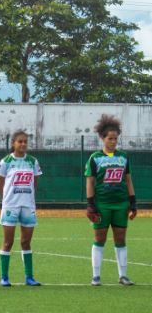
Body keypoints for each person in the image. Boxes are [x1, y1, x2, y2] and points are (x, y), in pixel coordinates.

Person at [86, 115, 137, 286]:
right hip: (102, 205)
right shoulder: (95, 158)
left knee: (120, 239)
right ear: (102, 138)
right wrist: (90, 204)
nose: (113, 141)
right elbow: (90, 181)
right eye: (110, 138)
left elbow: (128, 180)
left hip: (120, 204)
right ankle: (96, 276)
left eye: (115, 138)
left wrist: (133, 202)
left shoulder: (123, 157)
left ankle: (123, 276)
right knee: (99, 238)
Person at [0, 130, 43, 287]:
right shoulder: (6, 162)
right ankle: (4, 277)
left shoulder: (33, 162)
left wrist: (28, 198)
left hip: (28, 206)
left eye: (25, 142)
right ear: (13, 143)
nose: (23, 144)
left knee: (26, 242)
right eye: (20, 141)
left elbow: (35, 183)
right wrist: (6, 202)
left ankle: (29, 277)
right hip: (11, 206)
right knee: (8, 242)